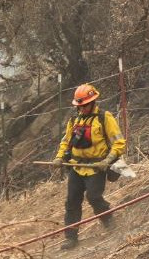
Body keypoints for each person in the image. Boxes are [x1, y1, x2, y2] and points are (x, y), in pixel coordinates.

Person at [52, 83, 125, 249]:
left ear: (93, 102)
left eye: (84, 105)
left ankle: (112, 227)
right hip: (76, 167)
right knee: (72, 202)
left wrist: (107, 161)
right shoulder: (74, 120)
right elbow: (66, 142)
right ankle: (71, 238)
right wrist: (58, 157)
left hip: (97, 167)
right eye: (79, 106)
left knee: (94, 197)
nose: (82, 108)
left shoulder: (104, 118)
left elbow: (119, 142)